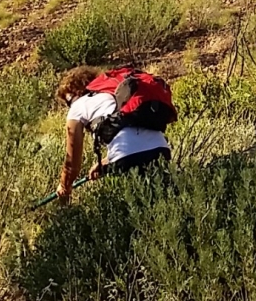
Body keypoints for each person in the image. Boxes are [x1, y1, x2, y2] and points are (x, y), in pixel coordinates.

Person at [55, 65, 171, 201]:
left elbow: (72, 164)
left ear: (72, 94)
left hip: (127, 160)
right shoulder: (115, 93)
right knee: (165, 203)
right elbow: (129, 128)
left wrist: (64, 186)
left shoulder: (78, 106)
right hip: (161, 150)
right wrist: (106, 161)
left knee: (132, 214)